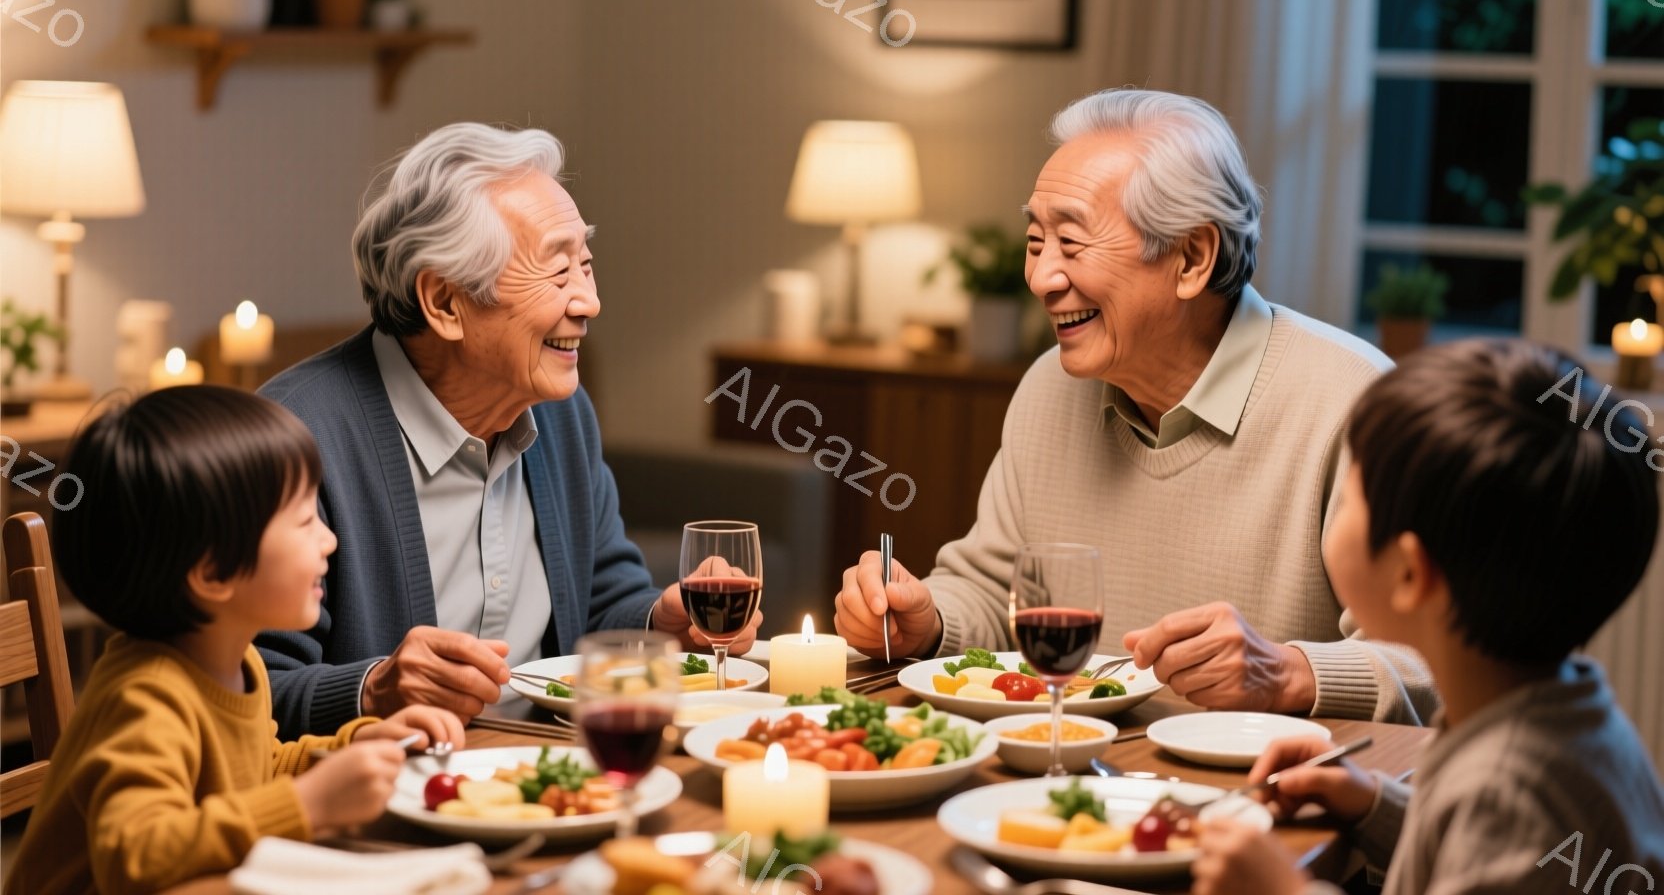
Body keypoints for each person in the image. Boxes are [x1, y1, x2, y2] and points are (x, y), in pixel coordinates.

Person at [833, 88, 1434, 723]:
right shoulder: (1048, 388)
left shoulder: (1356, 401)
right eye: (1036, 242)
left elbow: (1441, 663)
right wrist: (925, 621)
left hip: (1265, 805)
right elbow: (993, 594)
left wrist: (1287, 673)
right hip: (1073, 785)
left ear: (1192, 258)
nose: (1041, 278)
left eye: (1073, 242)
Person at [258, 123, 760, 737]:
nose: (589, 302)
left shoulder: (559, 411)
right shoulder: (296, 440)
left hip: (559, 780)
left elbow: (601, 597)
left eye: (587, 265)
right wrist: (370, 690)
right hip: (389, 808)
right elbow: (239, 687)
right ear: (445, 303)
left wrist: (662, 624)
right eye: (557, 272)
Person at [1193, 339, 1664, 895]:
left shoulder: (1507, 794)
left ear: (1411, 575)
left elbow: (1499, 833)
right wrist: (1373, 802)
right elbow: (1483, 857)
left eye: (1353, 492)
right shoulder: (1549, 716)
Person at [5, 386, 464, 895]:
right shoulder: (146, 699)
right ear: (213, 573)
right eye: (306, 520)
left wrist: (353, 745)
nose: (329, 539)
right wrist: (308, 804)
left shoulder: (234, 660)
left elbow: (256, 768)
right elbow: (136, 854)